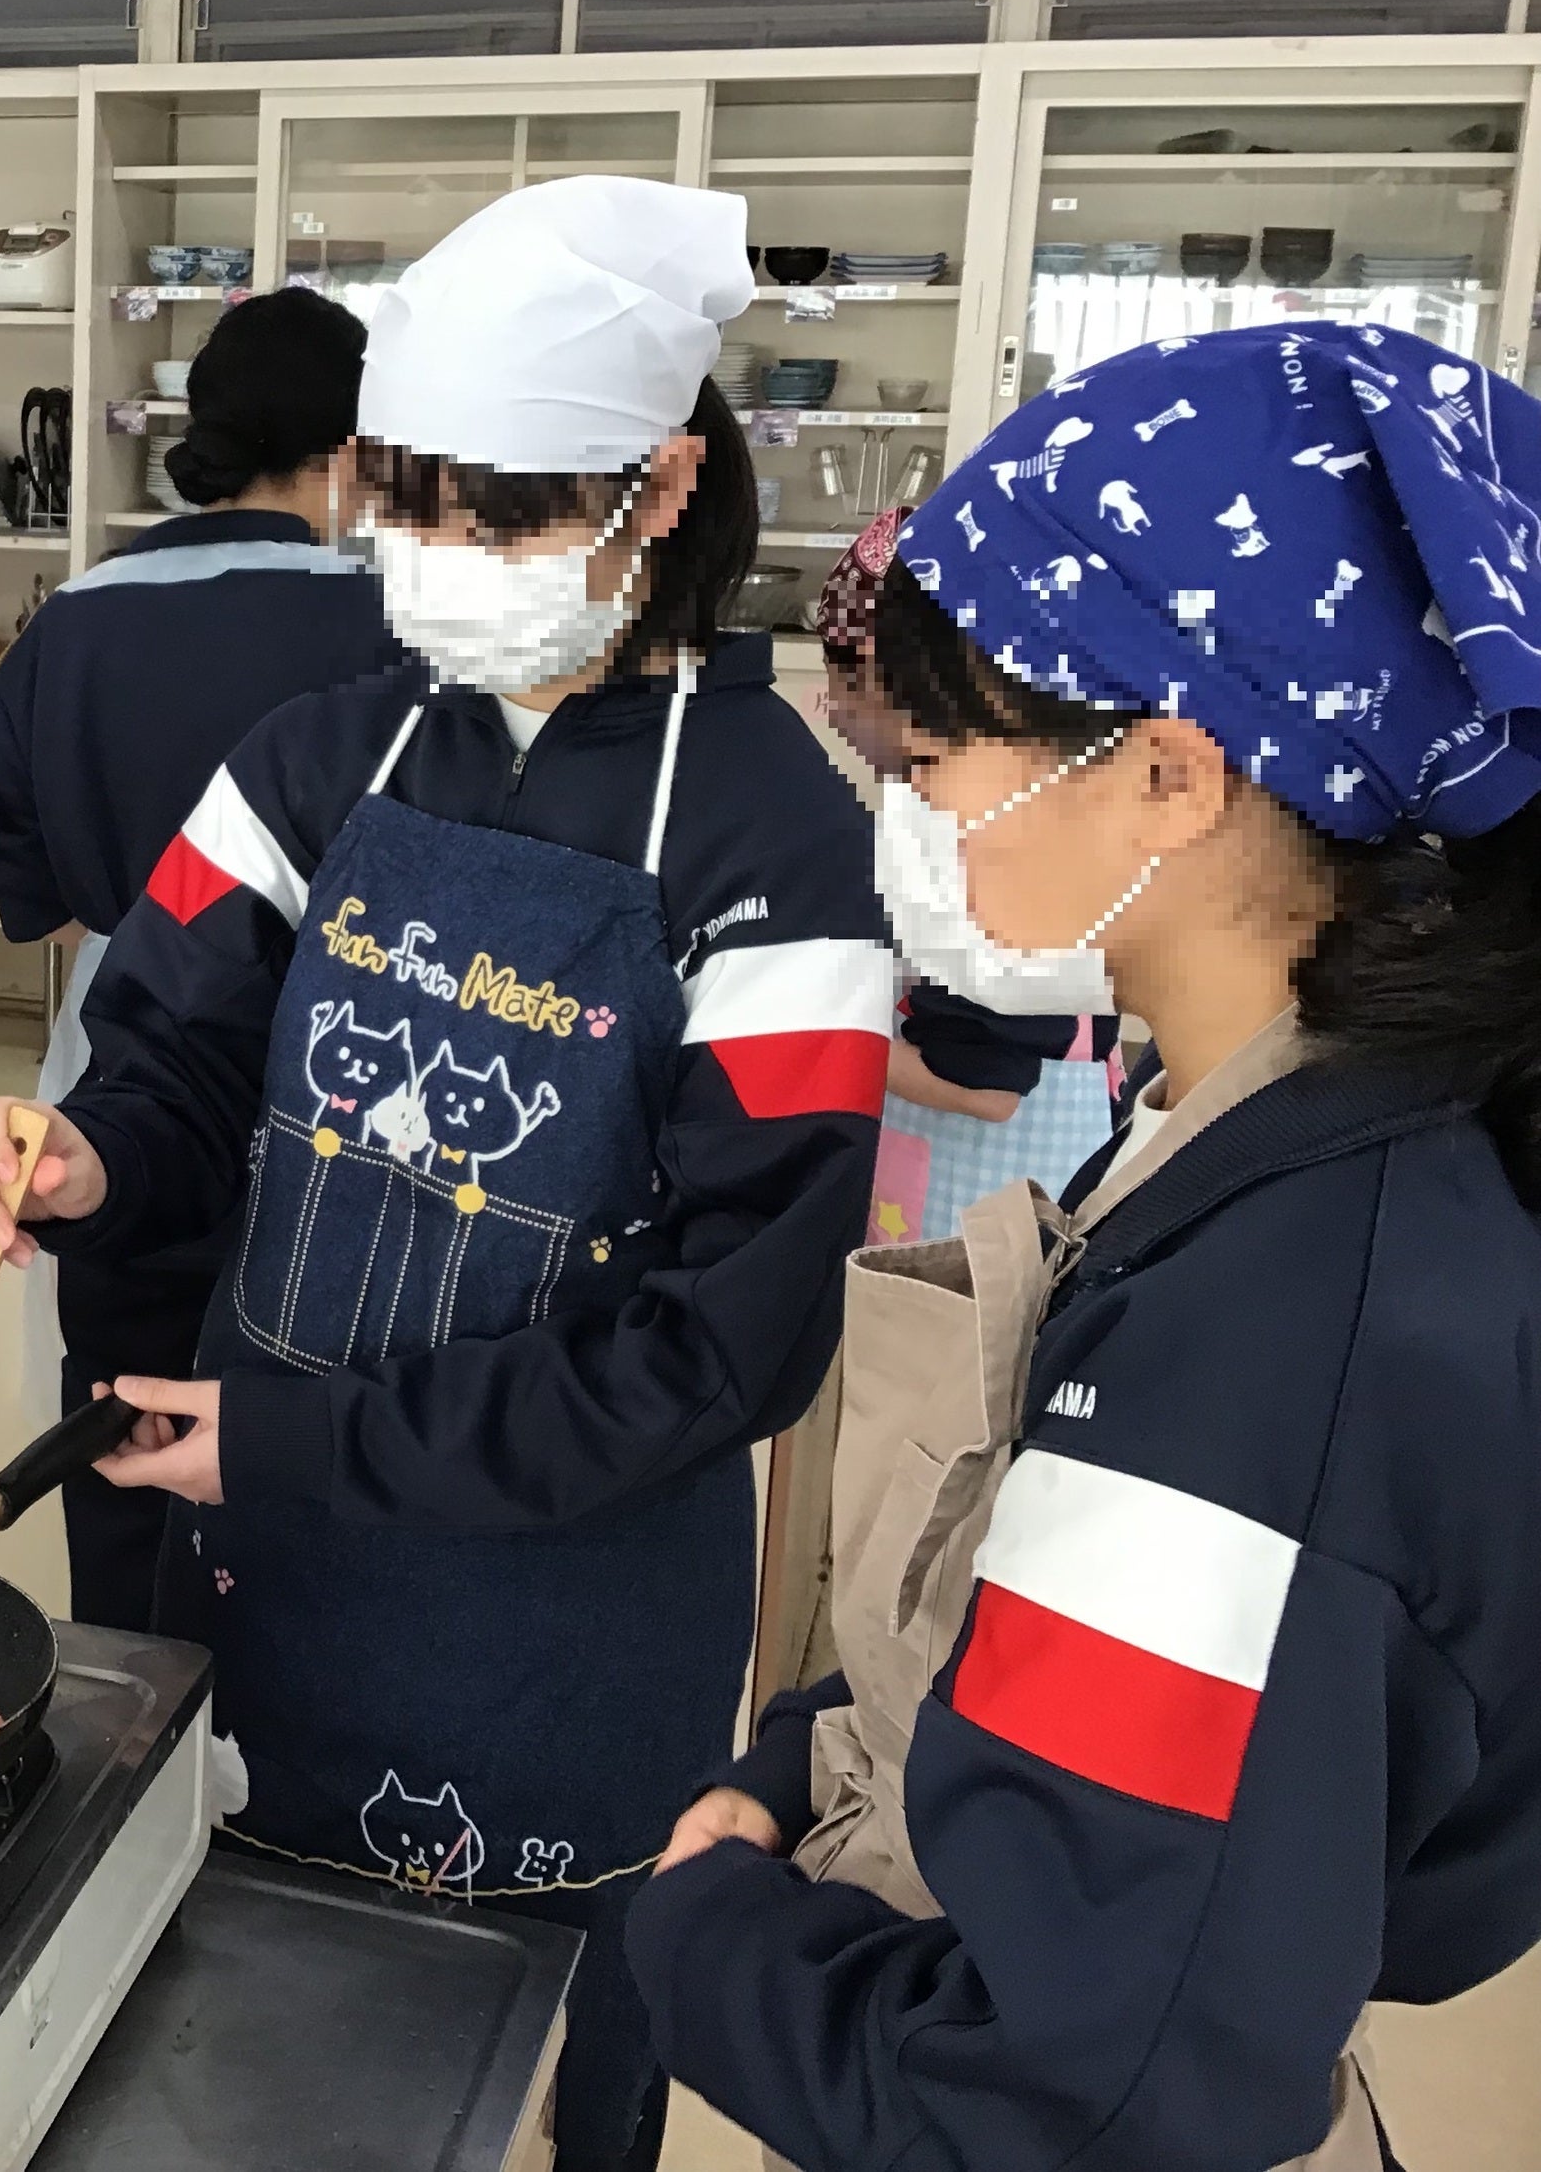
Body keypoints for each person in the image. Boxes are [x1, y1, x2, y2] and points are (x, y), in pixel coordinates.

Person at [0, 178, 895, 2172]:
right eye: (412, 502)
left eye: (508, 516)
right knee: (227, 2064)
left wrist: (312, 1446)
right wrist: (92, 1160)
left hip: (560, 1618)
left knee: (527, 2085)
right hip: (268, 1566)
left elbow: (720, 1345)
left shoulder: (782, 846)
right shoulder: (316, 759)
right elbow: (177, 1058)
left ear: (661, 485)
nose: (448, 559)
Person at [628, 323, 1541, 2170]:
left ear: (1175, 779)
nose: (915, 815)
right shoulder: (1271, 1123)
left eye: (944, 758)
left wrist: (703, 1937)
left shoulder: (1282, 1340)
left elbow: (1074, 2106)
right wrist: (816, 1751)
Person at [0, 287, 391, 1628]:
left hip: (119, 1068)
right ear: (354, 451)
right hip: (350, 1072)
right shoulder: (392, 618)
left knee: (120, 1415)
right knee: (309, 1423)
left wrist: (115, 921)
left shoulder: (82, 611)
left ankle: (124, 1698)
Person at [816, 509, 1121, 1245]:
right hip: (945, 1173)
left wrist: (829, 1040)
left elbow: (986, 1092)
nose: (837, 712)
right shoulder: (1010, 800)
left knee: (963, 1318)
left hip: (986, 1193)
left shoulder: (1000, 852)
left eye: (853, 686)